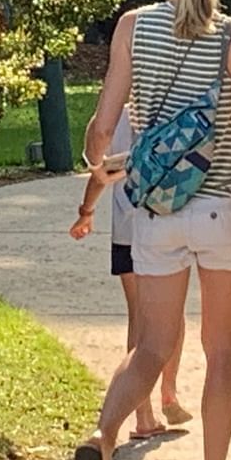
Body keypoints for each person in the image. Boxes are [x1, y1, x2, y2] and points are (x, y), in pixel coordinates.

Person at [76, 0, 231, 460]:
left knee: (152, 346)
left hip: (157, 210)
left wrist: (101, 164)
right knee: (221, 348)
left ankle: (101, 438)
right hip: (221, 208)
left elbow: (103, 128)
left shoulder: (133, 29)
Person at [70, 106, 192, 440]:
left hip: (127, 227)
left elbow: (101, 171)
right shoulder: (171, 99)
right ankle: (169, 389)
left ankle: (143, 414)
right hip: (167, 220)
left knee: (139, 317)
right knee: (173, 313)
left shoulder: (116, 112)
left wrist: (86, 211)